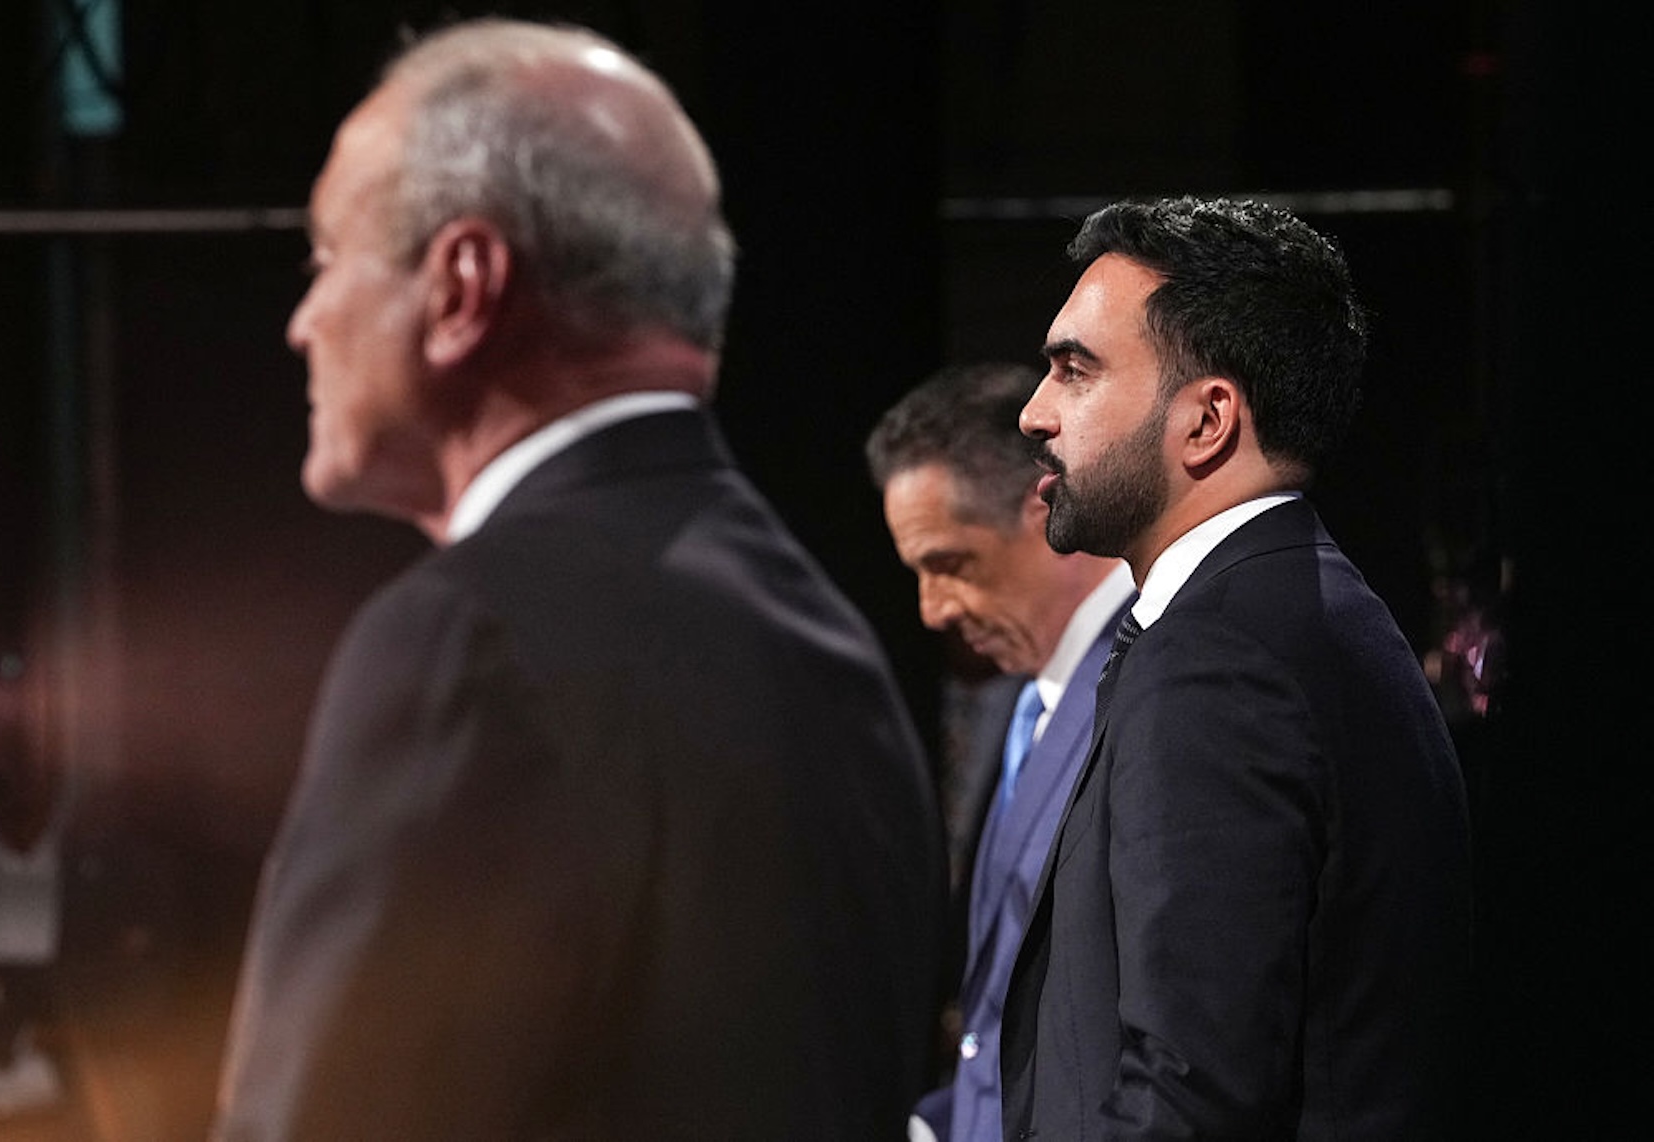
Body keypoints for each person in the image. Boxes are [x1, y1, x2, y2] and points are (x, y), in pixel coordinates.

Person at [210, 19, 944, 1141]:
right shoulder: (826, 642)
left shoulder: (469, 642)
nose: (301, 320)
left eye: (325, 258)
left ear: (461, 285)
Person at [1001, 196, 1472, 1139]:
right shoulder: (1297, 613)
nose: (1034, 413)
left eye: (1076, 370)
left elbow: (1193, 1093)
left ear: (1208, 420)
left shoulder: (1223, 658)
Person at [866, 364, 1134, 1142]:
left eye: (949, 564)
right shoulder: (1026, 704)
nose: (931, 609)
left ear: (1044, 508)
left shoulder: (1147, 697)